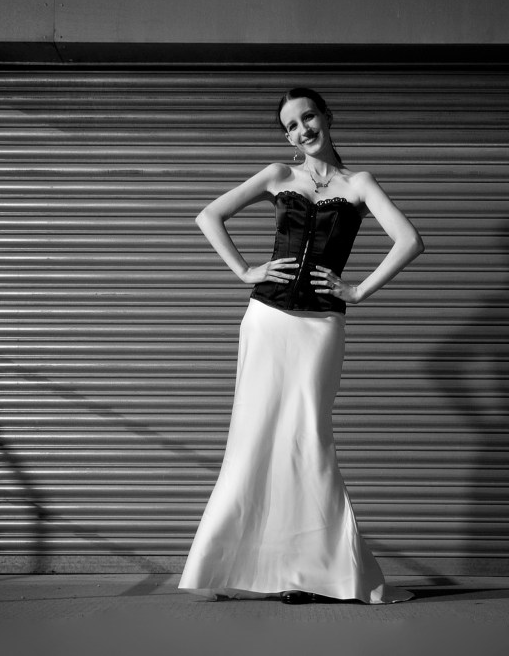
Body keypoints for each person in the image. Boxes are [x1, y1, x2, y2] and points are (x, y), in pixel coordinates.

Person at [178, 88, 424, 605]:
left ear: (327, 117)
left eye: (307, 117)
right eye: (290, 126)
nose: (301, 130)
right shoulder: (278, 175)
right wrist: (245, 270)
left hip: (320, 326)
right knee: (253, 437)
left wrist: (358, 290)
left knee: (309, 438)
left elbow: (409, 240)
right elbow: (208, 215)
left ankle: (317, 571)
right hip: (266, 320)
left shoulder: (359, 183)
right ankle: (234, 568)